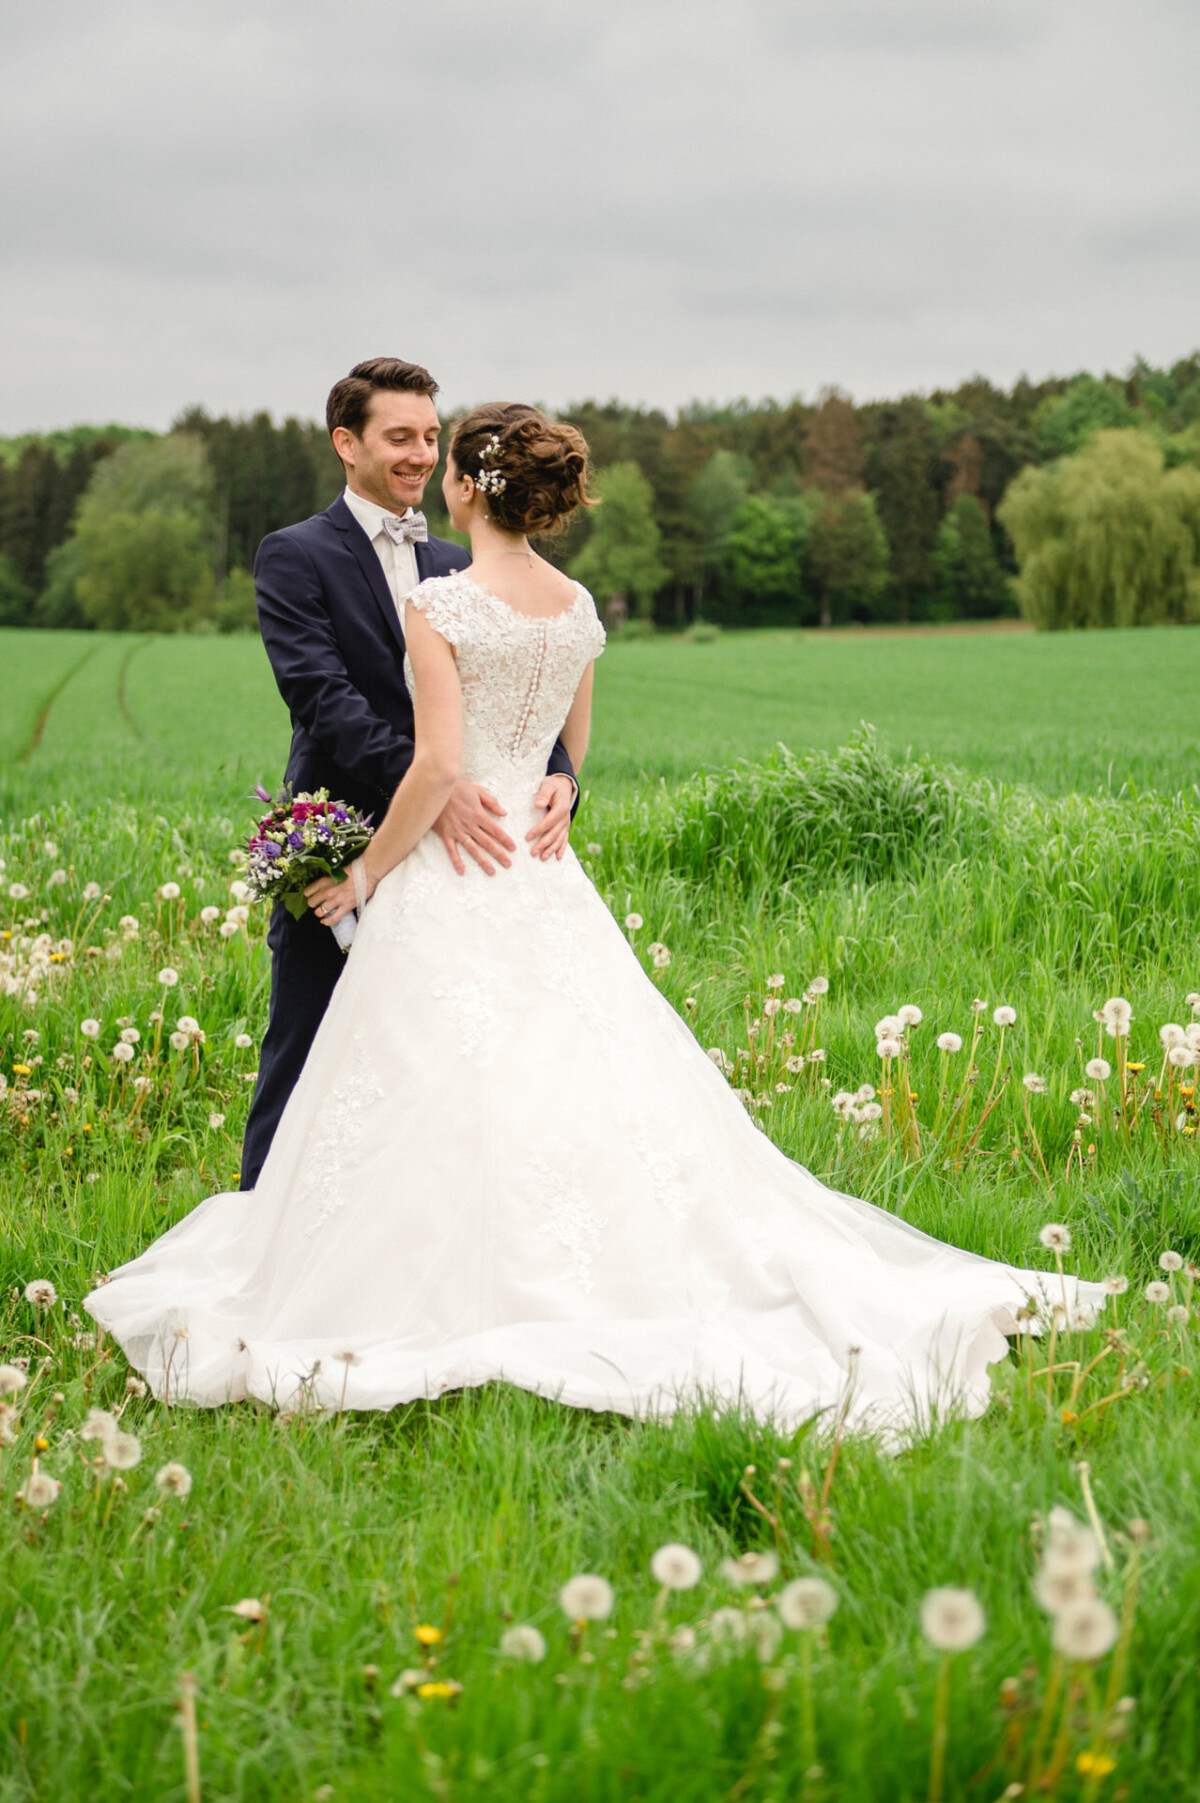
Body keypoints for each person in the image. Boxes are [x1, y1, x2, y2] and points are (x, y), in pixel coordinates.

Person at [85, 403, 1105, 1434]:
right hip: (540, 872)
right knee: (572, 1069)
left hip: (453, 869)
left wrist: (364, 879)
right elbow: (568, 749)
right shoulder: (574, 606)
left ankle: (436, 1280)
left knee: (439, 1075)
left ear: (472, 488)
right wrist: (556, 789)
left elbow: (439, 765)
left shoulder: (443, 606)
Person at [240, 359, 579, 1190]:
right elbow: (324, 699)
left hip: (471, 862)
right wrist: (437, 785)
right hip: (349, 835)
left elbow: (529, 682)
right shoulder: (294, 556)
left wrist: (563, 774)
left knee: (449, 1070)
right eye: (400, 437)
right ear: (345, 443)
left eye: (431, 437)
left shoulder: (464, 565)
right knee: (307, 1057)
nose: (421, 455)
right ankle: (261, 1230)